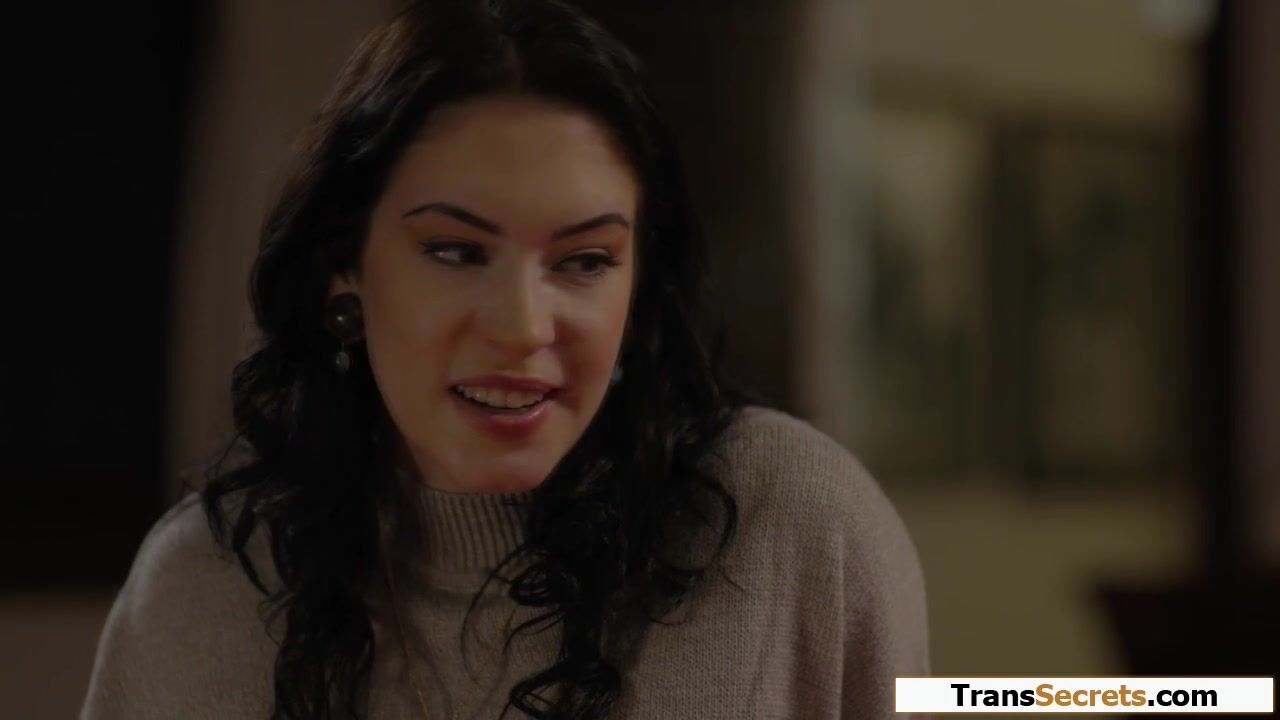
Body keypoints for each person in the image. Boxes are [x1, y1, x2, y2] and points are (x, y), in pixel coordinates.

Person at [80, 0, 929, 718]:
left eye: (585, 261)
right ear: (346, 270)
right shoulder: (199, 593)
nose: (523, 329)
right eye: (456, 252)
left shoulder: (795, 520)